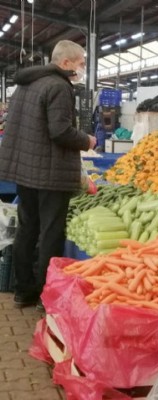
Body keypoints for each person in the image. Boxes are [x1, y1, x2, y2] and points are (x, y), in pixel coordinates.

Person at [0, 40, 96, 310]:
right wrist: (87, 140)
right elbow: (60, 131)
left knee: (27, 229)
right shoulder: (58, 86)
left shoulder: (26, 84)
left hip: (25, 171)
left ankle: (23, 291)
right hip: (51, 173)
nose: (82, 68)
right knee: (50, 234)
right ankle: (46, 294)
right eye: (80, 63)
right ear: (65, 63)